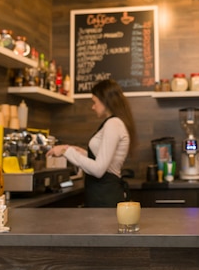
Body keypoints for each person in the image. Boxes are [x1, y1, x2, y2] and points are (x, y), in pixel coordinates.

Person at [47, 79, 138, 207]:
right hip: (103, 194)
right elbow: (104, 162)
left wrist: (66, 151)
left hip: (105, 196)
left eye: (94, 102)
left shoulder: (113, 124)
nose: (93, 106)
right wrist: (80, 151)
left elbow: (99, 169)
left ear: (105, 101)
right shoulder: (113, 123)